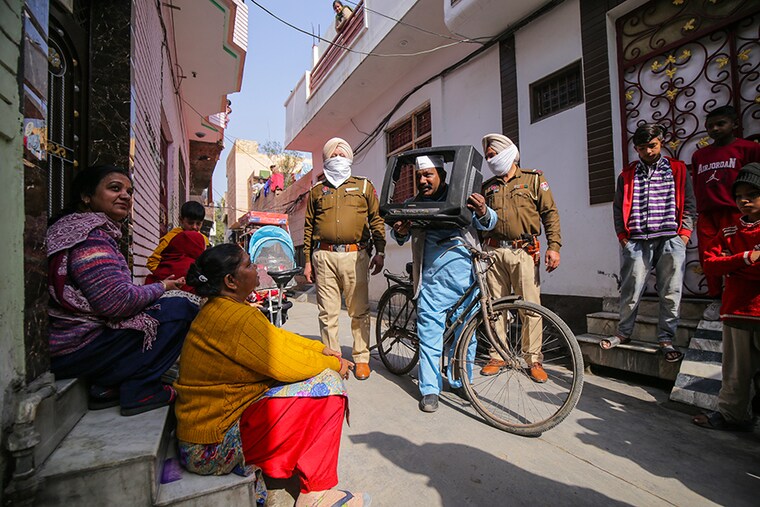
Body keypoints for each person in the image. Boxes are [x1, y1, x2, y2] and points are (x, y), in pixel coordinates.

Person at [175, 244, 370, 507]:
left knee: (313, 379)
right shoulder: (235, 317)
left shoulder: (224, 308)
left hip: (204, 438)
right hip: (211, 447)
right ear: (230, 281)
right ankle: (316, 494)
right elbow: (284, 363)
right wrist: (333, 364)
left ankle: (294, 478)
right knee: (328, 386)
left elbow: (278, 339)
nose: (257, 268)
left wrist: (322, 348)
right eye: (248, 265)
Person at [47, 165, 198, 416]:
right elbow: (117, 302)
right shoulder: (90, 237)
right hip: (76, 346)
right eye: (114, 188)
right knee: (182, 307)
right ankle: (141, 389)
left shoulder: (85, 231)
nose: (126, 196)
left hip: (72, 343)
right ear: (87, 196)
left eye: (129, 191)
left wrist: (161, 289)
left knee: (172, 301)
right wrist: (162, 287)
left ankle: (109, 385)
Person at [391, 155, 497, 412]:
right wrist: (401, 230)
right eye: (419, 176)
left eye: (428, 175)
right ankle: (429, 389)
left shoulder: (463, 195)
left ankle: (461, 381)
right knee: (429, 336)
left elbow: (491, 222)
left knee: (467, 337)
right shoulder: (412, 204)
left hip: (466, 280)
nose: (423, 180)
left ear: (442, 175)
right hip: (431, 280)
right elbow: (399, 235)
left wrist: (483, 210)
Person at [601, 123, 696, 362]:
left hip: (670, 239)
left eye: (652, 146)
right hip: (637, 241)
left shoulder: (678, 169)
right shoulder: (627, 174)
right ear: (636, 149)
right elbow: (617, 209)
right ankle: (623, 333)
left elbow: (690, 204)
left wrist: (683, 235)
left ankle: (666, 338)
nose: (648, 152)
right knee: (631, 290)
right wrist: (623, 238)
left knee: (671, 291)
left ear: (660, 142)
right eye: (642, 148)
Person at [478, 133, 562, 382]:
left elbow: (550, 213)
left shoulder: (534, 180)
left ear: (507, 153)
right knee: (495, 307)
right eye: (488, 157)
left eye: (493, 155)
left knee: (530, 307)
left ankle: (532, 359)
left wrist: (554, 246)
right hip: (493, 252)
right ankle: (498, 355)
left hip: (523, 251)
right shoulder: (488, 187)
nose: (490, 160)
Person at [303, 137, 386, 380]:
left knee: (359, 311)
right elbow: (309, 228)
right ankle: (334, 358)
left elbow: (376, 220)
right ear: (326, 158)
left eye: (342, 153)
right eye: (333, 154)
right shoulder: (317, 191)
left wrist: (380, 251)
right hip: (324, 257)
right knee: (327, 313)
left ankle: (361, 358)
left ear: (349, 156)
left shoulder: (363, 187)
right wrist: (308, 261)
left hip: (355, 256)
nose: (338, 157)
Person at [693, 163, 760, 431]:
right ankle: (732, 415)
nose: (744, 201)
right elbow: (709, 263)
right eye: (739, 196)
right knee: (735, 372)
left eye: (752, 194)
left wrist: (731, 265)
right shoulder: (731, 230)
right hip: (736, 311)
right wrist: (744, 258)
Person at [691, 105, 760, 320]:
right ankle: (715, 298)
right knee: (708, 257)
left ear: (734, 125)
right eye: (710, 126)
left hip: (735, 210)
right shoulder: (700, 155)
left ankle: (742, 296)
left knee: (740, 253)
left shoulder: (748, 149)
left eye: (721, 124)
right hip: (708, 213)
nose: (715, 129)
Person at [146, 201, 209, 273]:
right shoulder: (172, 237)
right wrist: (166, 275)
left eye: (198, 224)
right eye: (190, 223)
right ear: (181, 220)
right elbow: (152, 262)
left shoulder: (204, 241)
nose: (194, 227)